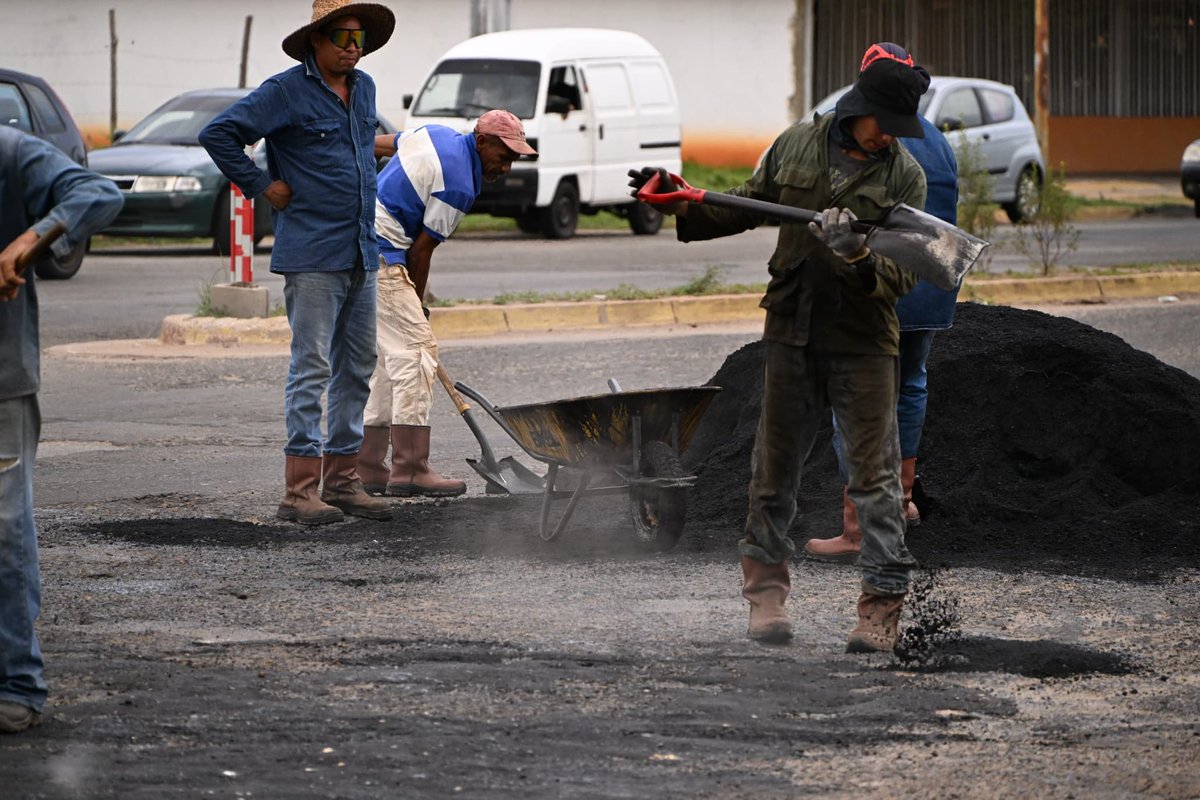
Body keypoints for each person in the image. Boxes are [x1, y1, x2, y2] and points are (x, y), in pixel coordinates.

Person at [630, 56, 929, 653]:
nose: (892, 133)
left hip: (863, 343)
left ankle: (880, 610)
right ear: (859, 107)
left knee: (875, 483)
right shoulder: (796, 145)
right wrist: (682, 204)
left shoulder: (905, 176)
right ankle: (765, 600)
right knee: (773, 475)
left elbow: (908, 274)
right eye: (886, 121)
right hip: (792, 333)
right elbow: (747, 204)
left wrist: (858, 256)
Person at [199, 0, 396, 525]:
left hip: (361, 249)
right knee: (312, 367)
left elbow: (359, 153)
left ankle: (343, 481)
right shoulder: (284, 91)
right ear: (317, 39)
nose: (352, 48)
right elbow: (219, 134)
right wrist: (262, 186)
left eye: (359, 39)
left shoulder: (366, 89)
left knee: (357, 367)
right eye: (342, 37)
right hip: (312, 253)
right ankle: (299, 492)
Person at [806, 42, 961, 563]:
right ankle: (903, 501)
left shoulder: (863, 141)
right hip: (930, 287)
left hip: (875, 286)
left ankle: (858, 528)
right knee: (910, 384)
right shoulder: (937, 141)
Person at [0, 128, 123, 733]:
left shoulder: (10, 153)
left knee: (4, 531)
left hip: (1, 379)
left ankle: (15, 681)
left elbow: (98, 194)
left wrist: (29, 240)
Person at [358, 110, 534, 496]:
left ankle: (368, 466)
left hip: (357, 242)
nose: (505, 167)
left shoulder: (435, 134)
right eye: (503, 156)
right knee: (417, 353)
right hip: (383, 255)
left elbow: (383, 143)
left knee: (391, 362)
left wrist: (356, 153)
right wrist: (416, 306)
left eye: (513, 160)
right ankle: (410, 469)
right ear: (482, 141)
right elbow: (421, 253)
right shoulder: (458, 187)